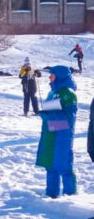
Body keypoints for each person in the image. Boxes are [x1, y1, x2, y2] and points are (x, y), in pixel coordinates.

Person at [36, 66, 77, 199]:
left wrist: (48, 116)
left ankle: (70, 197)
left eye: (52, 75)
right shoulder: (52, 92)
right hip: (50, 134)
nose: (49, 77)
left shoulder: (69, 93)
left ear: (60, 76)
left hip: (62, 137)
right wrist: (47, 116)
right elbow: (51, 115)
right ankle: (51, 194)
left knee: (64, 166)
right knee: (50, 165)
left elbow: (68, 121)